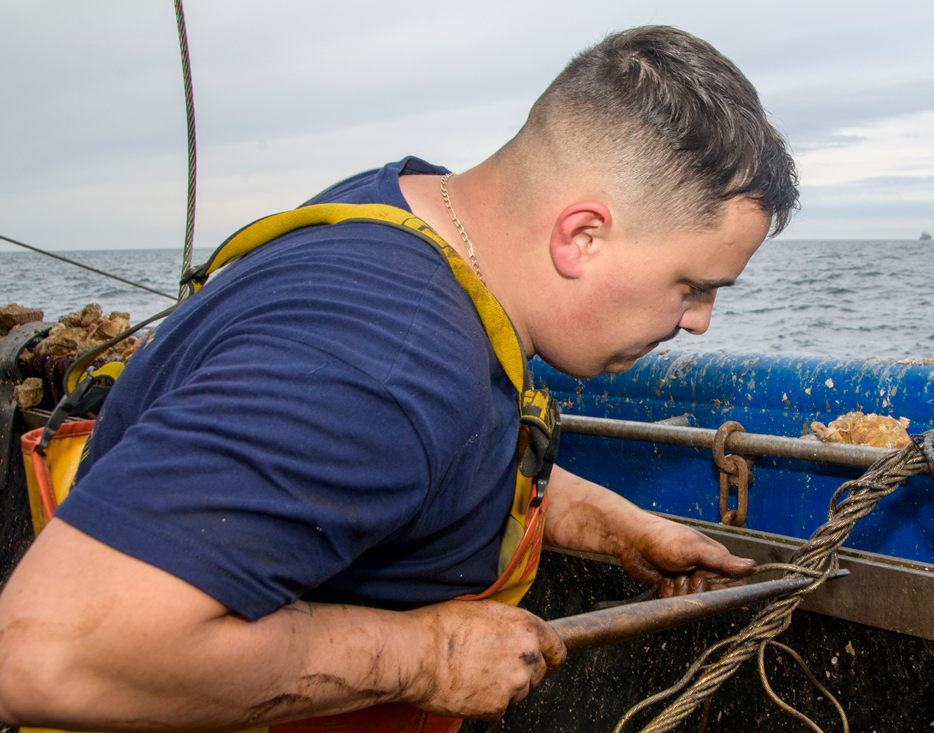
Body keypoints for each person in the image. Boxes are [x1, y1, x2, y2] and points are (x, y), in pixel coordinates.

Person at [0, 25, 798, 732]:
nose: (699, 321)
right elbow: (48, 654)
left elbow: (405, 467)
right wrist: (428, 658)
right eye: (693, 286)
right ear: (582, 237)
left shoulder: (416, 214)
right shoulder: (384, 365)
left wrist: (614, 522)